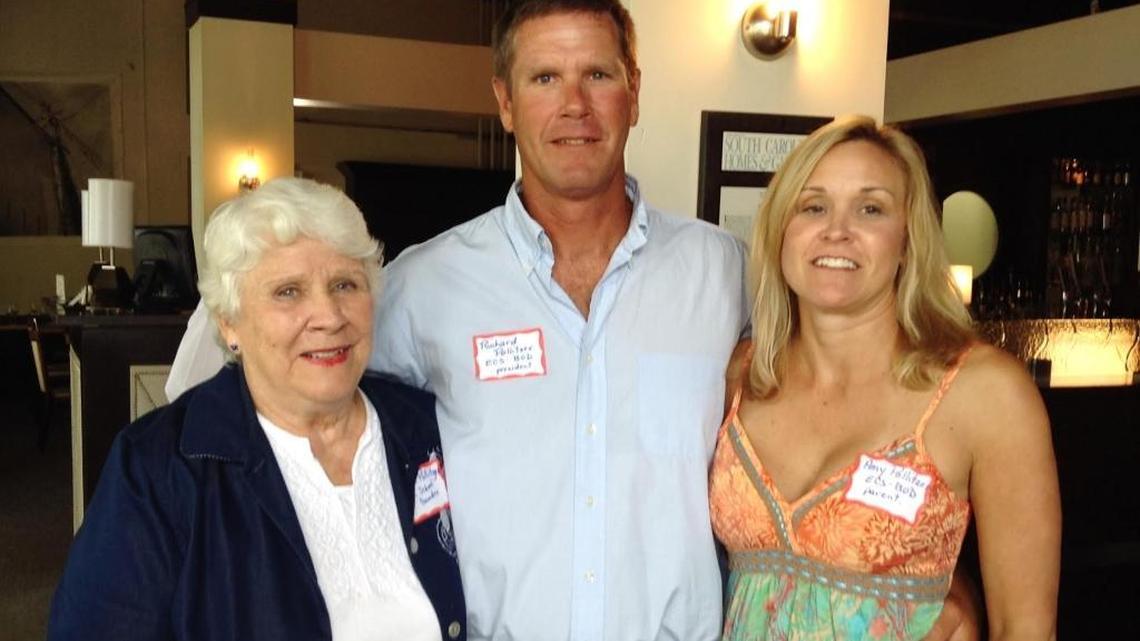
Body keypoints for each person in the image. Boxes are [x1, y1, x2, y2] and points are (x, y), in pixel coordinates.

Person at [164, 3, 980, 640]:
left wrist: (936, 579)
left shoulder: (729, 274)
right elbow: (268, 405)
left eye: (598, 74)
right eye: (545, 79)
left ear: (635, 90)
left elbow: (864, 410)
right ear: (505, 102)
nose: (576, 105)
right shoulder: (423, 283)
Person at [49, 178, 466, 641]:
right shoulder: (158, 469)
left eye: (346, 283)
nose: (328, 315)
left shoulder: (425, 425)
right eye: (288, 291)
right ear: (229, 320)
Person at [709, 115, 1061, 640]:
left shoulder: (982, 393)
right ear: (781, 230)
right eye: (813, 206)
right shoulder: (741, 374)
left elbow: (1026, 628)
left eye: (870, 208)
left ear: (907, 239)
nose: (837, 230)